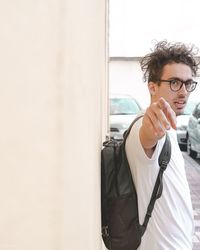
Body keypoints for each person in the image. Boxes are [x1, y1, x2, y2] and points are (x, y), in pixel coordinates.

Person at [125, 40, 200, 250]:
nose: (184, 91)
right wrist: (151, 127)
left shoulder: (169, 129)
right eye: (174, 82)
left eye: (188, 83)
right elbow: (147, 138)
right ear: (153, 86)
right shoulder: (146, 125)